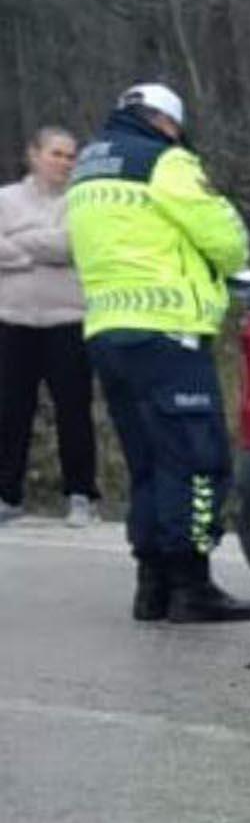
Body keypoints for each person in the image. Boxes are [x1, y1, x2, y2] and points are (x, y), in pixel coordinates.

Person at [67, 84, 250, 624]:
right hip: (168, 331)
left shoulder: (86, 171)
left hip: (107, 331)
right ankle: (191, 585)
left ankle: (151, 585)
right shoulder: (165, 161)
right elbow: (225, 240)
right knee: (197, 461)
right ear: (166, 122)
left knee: (148, 463)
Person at [0, 127, 100, 526]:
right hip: (12, 319)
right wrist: (43, 248)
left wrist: (19, 243)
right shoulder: (6, 199)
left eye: (71, 156)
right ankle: (7, 494)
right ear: (34, 155)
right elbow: (54, 247)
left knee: (74, 410)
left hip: (68, 320)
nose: (64, 162)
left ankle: (81, 494)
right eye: (56, 154)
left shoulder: (84, 201)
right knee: (10, 410)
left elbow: (76, 246)